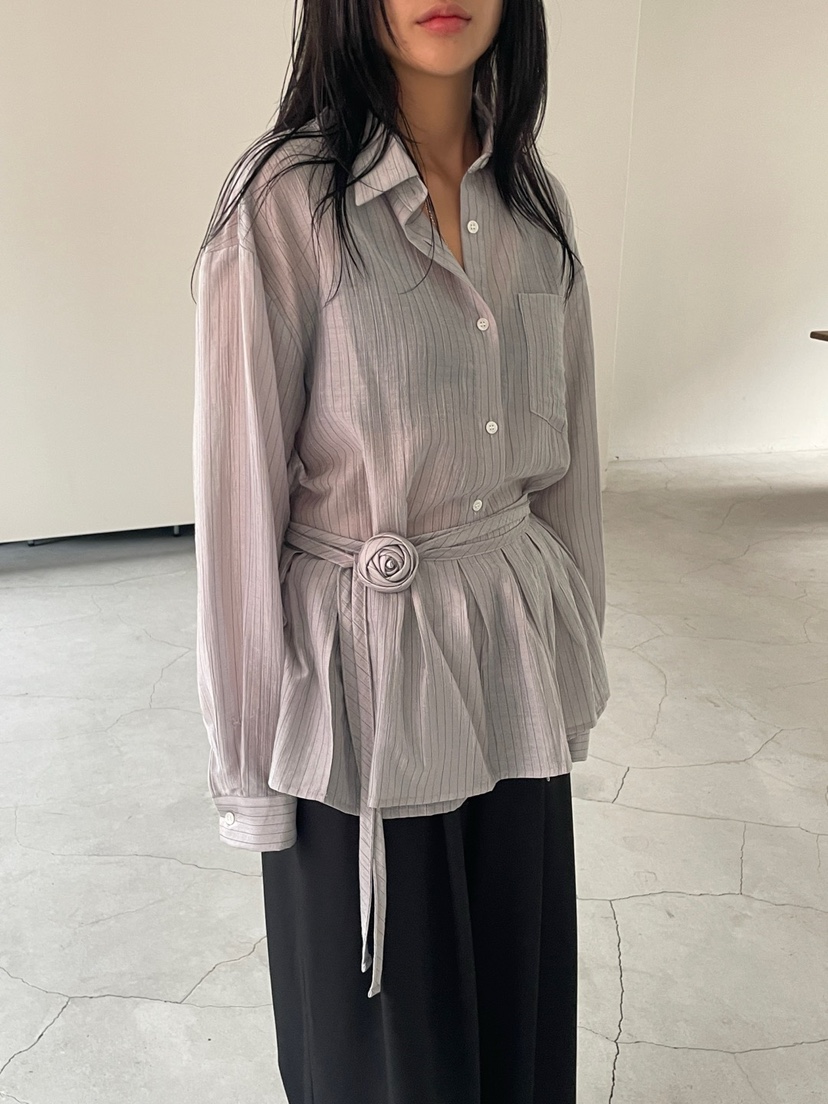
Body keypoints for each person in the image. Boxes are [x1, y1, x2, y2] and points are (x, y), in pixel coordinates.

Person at [192, 1, 610, 1101]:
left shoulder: (534, 206)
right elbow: (236, 507)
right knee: (385, 1060)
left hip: (509, 677)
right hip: (358, 704)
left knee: (518, 1036)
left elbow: (568, 479)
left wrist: (570, 677)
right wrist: (249, 768)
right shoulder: (286, 203)